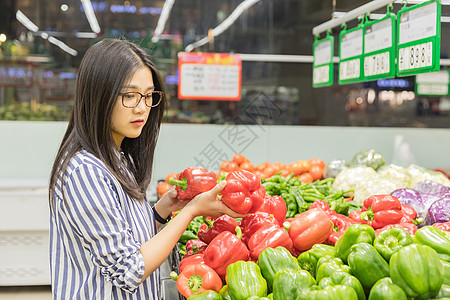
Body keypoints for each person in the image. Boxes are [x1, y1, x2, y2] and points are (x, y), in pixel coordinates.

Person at [48, 39, 244, 299]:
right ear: (99, 95)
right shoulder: (84, 170)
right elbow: (129, 269)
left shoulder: (116, 156)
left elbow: (123, 238)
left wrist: (164, 209)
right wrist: (192, 212)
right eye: (129, 96)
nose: (142, 107)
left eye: (148, 95)